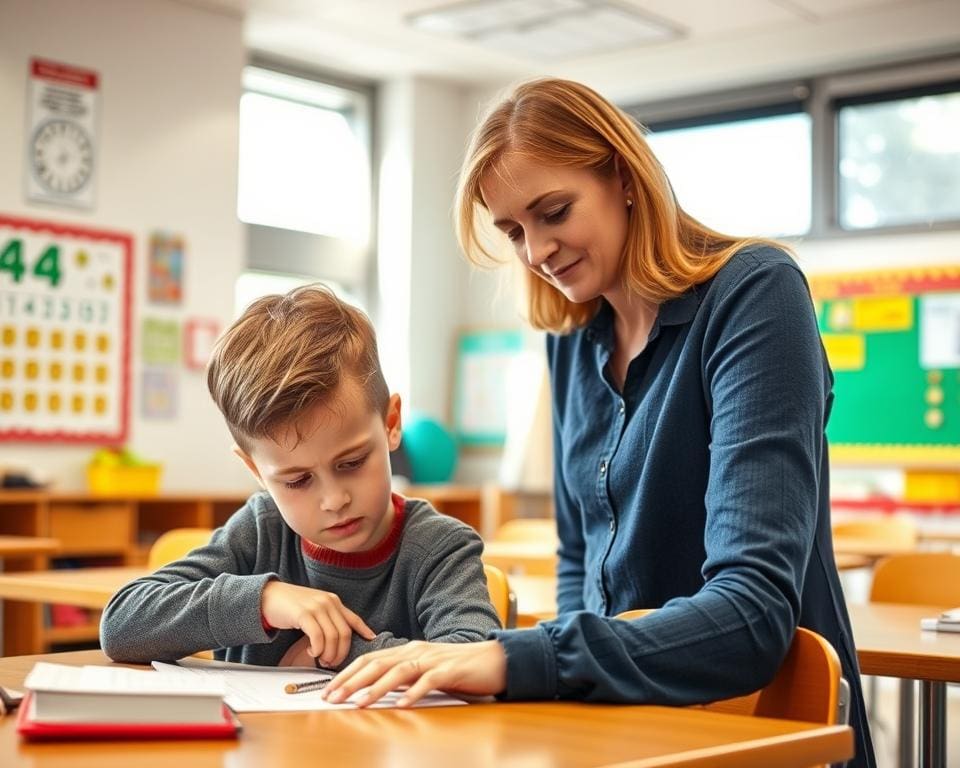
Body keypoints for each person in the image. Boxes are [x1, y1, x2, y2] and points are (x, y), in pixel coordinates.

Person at [321, 78, 875, 766]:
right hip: (620, 728)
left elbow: (751, 615)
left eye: (554, 212)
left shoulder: (755, 295)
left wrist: (518, 660)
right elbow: (581, 556)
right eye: (514, 231)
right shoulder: (573, 339)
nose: (536, 252)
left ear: (623, 175)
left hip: (757, 730)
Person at [100, 284, 500, 669]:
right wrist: (263, 600)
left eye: (352, 462)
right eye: (297, 481)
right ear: (256, 471)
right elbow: (121, 624)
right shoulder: (260, 532)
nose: (334, 499)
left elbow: (475, 659)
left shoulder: (440, 548)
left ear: (392, 423)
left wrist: (335, 652)